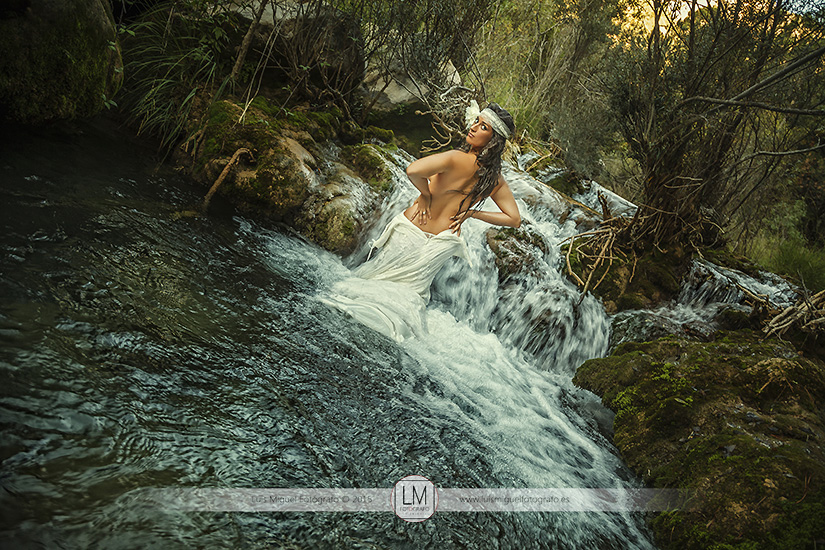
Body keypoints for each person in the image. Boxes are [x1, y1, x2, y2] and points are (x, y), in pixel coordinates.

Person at [320, 102, 520, 342]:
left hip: (413, 229)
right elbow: (514, 219)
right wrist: (471, 214)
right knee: (407, 297)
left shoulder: (456, 158)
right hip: (442, 243)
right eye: (476, 121)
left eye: (483, 126)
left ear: (493, 140)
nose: (474, 127)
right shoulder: (494, 179)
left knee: (370, 286)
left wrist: (426, 195)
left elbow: (413, 170)